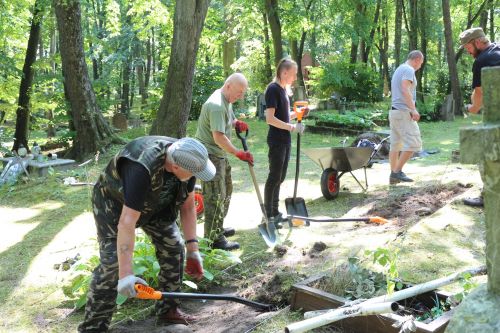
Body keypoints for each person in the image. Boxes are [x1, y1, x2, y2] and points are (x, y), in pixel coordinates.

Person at [78, 136, 216, 332]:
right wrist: (126, 275)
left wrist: (193, 249)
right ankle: (93, 328)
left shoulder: (189, 158)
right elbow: (127, 221)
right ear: (175, 167)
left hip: (157, 204)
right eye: (195, 173)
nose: (198, 176)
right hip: (115, 205)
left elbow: (187, 207)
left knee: (174, 247)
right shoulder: (141, 168)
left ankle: (168, 311)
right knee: (112, 264)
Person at [195, 73, 253, 251]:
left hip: (219, 155)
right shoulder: (217, 105)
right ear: (228, 86)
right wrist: (238, 153)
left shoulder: (225, 99)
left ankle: (217, 228)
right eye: (239, 92)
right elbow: (219, 137)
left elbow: (228, 118)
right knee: (215, 197)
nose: (241, 96)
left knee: (226, 191)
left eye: (243, 93)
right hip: (210, 155)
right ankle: (214, 239)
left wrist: (236, 123)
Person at [459, 27, 500, 207]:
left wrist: (472, 107)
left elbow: (479, 97)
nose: (467, 52)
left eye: (467, 47)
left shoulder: (482, 60)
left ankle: (488, 197)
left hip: (496, 118)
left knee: (486, 154)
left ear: (476, 42)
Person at [263, 58, 307, 226]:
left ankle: (275, 212)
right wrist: (291, 127)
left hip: (285, 141)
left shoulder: (282, 90)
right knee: (274, 177)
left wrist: (298, 114)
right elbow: (270, 119)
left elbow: (283, 116)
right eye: (294, 74)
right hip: (276, 141)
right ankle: (268, 213)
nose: (295, 78)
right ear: (284, 72)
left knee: (280, 177)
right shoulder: (273, 89)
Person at [389, 50, 424, 185]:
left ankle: (393, 177)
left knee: (395, 145)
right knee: (415, 143)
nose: (420, 66)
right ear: (416, 59)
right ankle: (396, 172)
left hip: (394, 112)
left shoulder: (399, 68)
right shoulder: (409, 70)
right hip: (403, 112)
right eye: (420, 63)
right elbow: (405, 90)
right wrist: (413, 109)